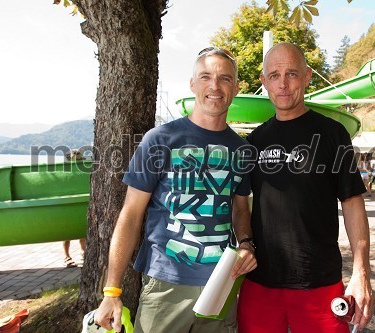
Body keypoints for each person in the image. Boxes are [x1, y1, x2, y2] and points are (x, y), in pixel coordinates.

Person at [94, 47, 257, 333]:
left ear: (236, 87)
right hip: (165, 285)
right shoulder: (160, 139)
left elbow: (240, 208)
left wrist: (245, 243)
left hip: (221, 284)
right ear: (193, 84)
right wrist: (112, 291)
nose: (214, 86)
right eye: (205, 76)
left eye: (225, 78)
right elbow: (131, 215)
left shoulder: (241, 150)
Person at [237, 43, 374, 333]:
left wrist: (361, 273)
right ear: (264, 82)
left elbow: (352, 202)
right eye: (274, 75)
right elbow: (239, 203)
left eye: (292, 74)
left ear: (308, 76)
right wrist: (245, 242)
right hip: (260, 284)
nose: (283, 84)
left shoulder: (332, 133)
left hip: (319, 283)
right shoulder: (254, 141)